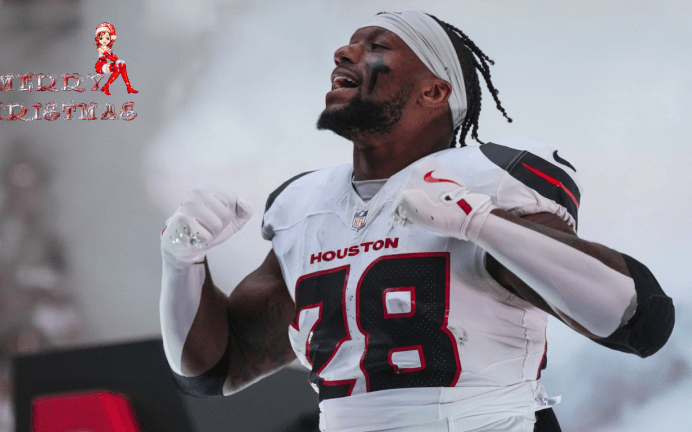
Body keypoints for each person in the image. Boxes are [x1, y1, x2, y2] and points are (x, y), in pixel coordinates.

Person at [158, 10, 674, 432]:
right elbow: (214, 371)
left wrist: (481, 221)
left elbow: (639, 321)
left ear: (434, 91)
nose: (344, 52)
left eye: (376, 46)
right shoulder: (302, 204)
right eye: (350, 43)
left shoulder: (487, 177)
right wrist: (182, 261)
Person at [94, 22, 138, 96]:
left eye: (107, 38)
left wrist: (118, 60)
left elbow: (112, 56)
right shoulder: (100, 48)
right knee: (118, 68)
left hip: (105, 65)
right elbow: (108, 56)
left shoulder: (107, 48)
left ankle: (129, 87)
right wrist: (116, 61)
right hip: (100, 66)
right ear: (98, 39)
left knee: (122, 65)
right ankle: (106, 86)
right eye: (101, 38)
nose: (104, 40)